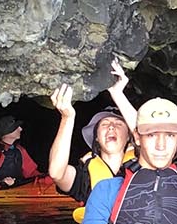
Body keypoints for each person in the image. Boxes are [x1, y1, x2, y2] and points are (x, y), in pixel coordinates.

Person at [46, 62, 137, 204]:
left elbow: (147, 134)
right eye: (105, 125)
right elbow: (57, 173)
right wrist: (67, 118)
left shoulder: (145, 166)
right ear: (96, 139)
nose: (111, 127)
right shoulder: (85, 177)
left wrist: (117, 93)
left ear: (129, 138)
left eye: (119, 124)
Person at [0, 116, 42, 188]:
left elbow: (31, 173)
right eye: (16, 127)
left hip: (18, 191)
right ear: (7, 132)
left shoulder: (20, 150)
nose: (21, 129)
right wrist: (1, 182)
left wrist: (45, 178)